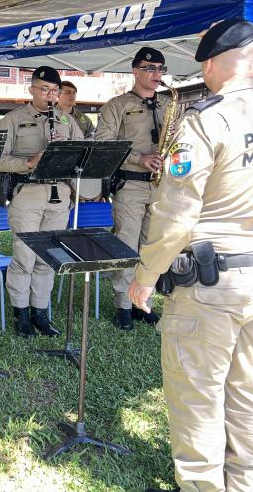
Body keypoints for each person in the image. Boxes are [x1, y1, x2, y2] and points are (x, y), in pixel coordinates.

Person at [128, 18, 253, 492]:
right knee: (250, 395)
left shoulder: (208, 118)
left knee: (198, 397)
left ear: (208, 64)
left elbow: (176, 211)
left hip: (212, 283)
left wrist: (146, 275)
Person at [0, 66, 81, 337]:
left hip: (59, 194)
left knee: (49, 255)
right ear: (31, 90)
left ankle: (40, 312)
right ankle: (20, 313)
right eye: (44, 90)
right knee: (25, 255)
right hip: (28, 191)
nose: (50, 95)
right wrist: (28, 162)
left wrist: (65, 150)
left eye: (54, 90)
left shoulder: (66, 119)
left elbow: (83, 150)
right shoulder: (12, 119)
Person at [95, 47, 168, 330]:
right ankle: (123, 305)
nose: (156, 74)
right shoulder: (117, 105)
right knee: (126, 245)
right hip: (131, 184)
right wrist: (140, 158)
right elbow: (103, 143)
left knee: (151, 248)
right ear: (135, 71)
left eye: (160, 69)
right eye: (149, 68)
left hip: (161, 186)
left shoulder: (166, 105)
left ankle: (143, 302)